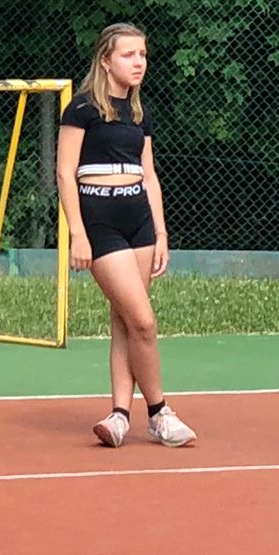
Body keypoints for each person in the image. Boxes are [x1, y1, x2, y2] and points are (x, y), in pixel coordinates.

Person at [55, 22, 196, 448]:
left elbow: (149, 175)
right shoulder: (82, 109)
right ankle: (159, 412)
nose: (139, 63)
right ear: (105, 60)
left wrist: (161, 232)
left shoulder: (138, 113)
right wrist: (77, 233)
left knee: (125, 321)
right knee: (143, 322)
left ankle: (119, 415)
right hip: (100, 222)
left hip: (139, 222)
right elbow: (64, 173)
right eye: (128, 55)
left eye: (143, 55)